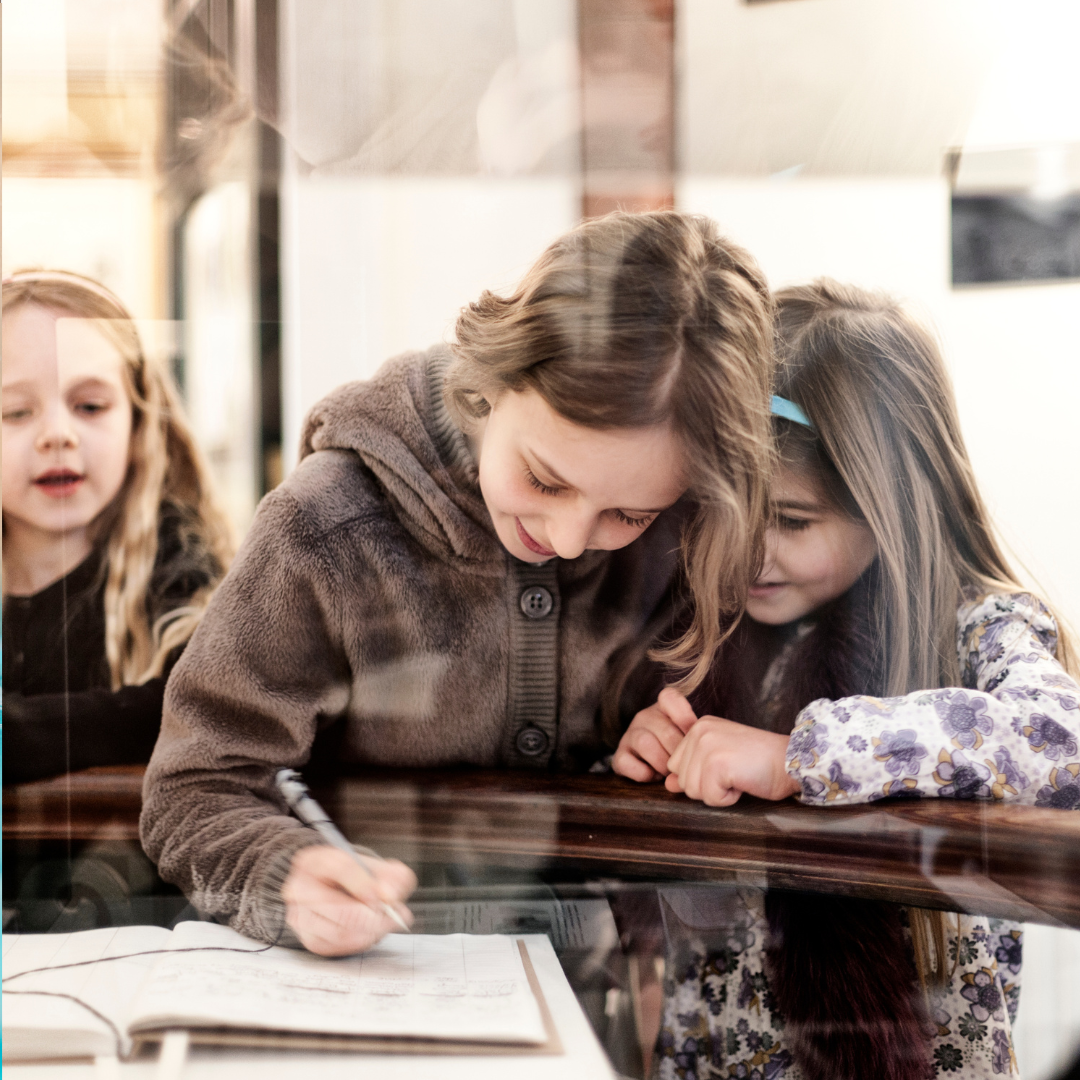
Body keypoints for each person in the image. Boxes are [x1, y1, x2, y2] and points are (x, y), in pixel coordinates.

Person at [140, 210, 778, 958]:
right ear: (491, 382)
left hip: (592, 998)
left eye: (628, 515)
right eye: (544, 478)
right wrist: (282, 874)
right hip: (358, 984)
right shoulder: (324, 528)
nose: (570, 539)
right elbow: (193, 787)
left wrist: (646, 750)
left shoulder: (684, 535)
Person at [614, 280, 1080, 1080]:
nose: (753, 552)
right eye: (731, 514)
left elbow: (1060, 740)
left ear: (893, 504)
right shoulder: (706, 638)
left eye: (794, 521)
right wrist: (648, 753)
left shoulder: (975, 624)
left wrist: (801, 756)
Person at [2, 271, 233, 787]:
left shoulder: (175, 562)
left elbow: (196, 703)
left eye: (90, 406)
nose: (57, 435)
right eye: (15, 411)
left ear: (137, 423)